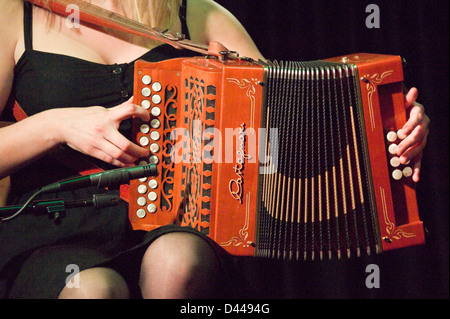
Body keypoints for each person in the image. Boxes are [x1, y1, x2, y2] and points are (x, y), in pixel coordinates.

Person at [0, 0, 430, 299]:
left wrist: (387, 132)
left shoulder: (198, 14)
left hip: (180, 225)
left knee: (177, 263)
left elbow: (280, 140)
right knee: (92, 289)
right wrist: (55, 125)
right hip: (52, 228)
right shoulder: (15, 15)